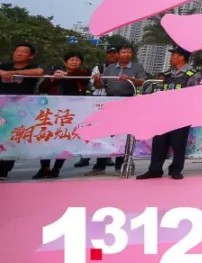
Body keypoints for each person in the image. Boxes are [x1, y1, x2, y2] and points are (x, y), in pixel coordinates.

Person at [136, 48, 202, 180]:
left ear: (181, 57)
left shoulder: (193, 74)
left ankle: (176, 170)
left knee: (179, 143)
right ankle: (155, 169)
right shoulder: (167, 74)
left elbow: (196, 94)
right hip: (164, 114)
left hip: (181, 114)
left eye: (174, 55)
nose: (171, 57)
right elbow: (155, 89)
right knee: (159, 142)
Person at [88, 44, 146, 176]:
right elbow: (100, 85)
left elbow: (143, 82)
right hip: (110, 102)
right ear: (118, 54)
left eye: (129, 52)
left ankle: (120, 166)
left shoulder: (137, 67)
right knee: (105, 134)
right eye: (124, 52)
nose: (126, 54)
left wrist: (130, 79)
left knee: (123, 136)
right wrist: (97, 80)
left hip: (127, 102)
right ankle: (99, 166)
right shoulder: (110, 67)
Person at [34, 51, 91, 179]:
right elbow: (42, 88)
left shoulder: (83, 74)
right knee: (47, 139)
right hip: (53, 111)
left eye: (77, 60)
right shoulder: (56, 74)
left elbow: (84, 75)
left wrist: (66, 74)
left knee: (64, 141)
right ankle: (44, 168)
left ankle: (57, 169)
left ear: (81, 63)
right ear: (65, 62)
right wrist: (53, 78)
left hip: (72, 113)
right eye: (71, 60)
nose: (74, 62)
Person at [0, 42, 46, 180]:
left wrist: (13, 73)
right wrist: (4, 72)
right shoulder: (5, 66)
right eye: (17, 51)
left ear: (31, 56)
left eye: (24, 52)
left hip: (20, 110)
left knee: (11, 138)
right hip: (2, 107)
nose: (19, 54)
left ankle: (3, 170)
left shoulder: (32, 67)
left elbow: (39, 72)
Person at [74, 46, 120, 167]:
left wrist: (106, 82)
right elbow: (95, 85)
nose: (112, 55)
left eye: (114, 53)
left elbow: (118, 84)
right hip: (98, 100)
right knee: (92, 129)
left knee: (109, 131)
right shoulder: (99, 67)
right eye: (110, 53)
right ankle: (86, 157)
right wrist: (100, 81)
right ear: (106, 55)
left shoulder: (121, 69)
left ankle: (106, 157)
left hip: (112, 100)